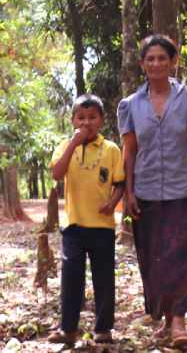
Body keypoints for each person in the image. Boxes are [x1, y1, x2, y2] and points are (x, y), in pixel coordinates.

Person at [118, 35, 187, 349]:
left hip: (182, 190)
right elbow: (130, 152)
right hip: (145, 192)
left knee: (184, 256)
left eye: (162, 58)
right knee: (153, 259)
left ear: (173, 62)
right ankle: (165, 319)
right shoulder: (130, 105)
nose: (156, 63)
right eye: (150, 59)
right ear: (142, 64)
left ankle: (179, 319)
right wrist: (129, 192)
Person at [48, 94, 125, 347]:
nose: (86, 123)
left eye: (92, 117)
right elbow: (57, 174)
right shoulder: (65, 146)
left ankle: (103, 328)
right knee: (71, 278)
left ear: (101, 120)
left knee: (103, 278)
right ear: (72, 121)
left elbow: (120, 183)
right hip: (73, 225)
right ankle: (68, 329)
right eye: (80, 117)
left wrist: (112, 203)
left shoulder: (111, 149)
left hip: (102, 227)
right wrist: (73, 143)